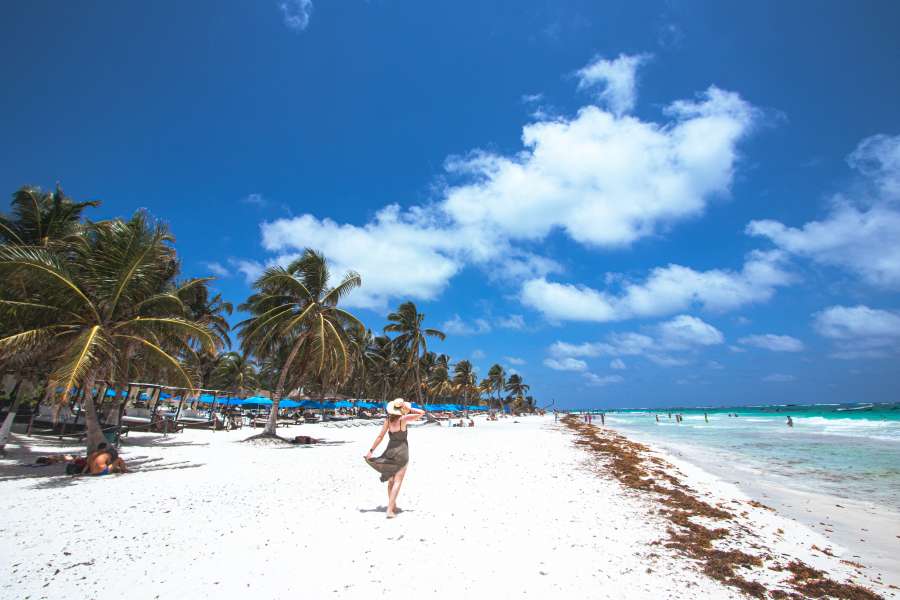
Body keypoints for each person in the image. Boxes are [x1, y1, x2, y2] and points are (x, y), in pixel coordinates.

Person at [365, 398, 424, 519]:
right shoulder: (403, 419)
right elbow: (422, 413)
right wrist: (409, 409)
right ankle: (389, 510)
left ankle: (393, 505)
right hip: (402, 452)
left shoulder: (388, 420)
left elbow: (380, 436)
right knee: (397, 481)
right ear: (401, 409)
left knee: (391, 481)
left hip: (390, 451)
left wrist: (371, 451)